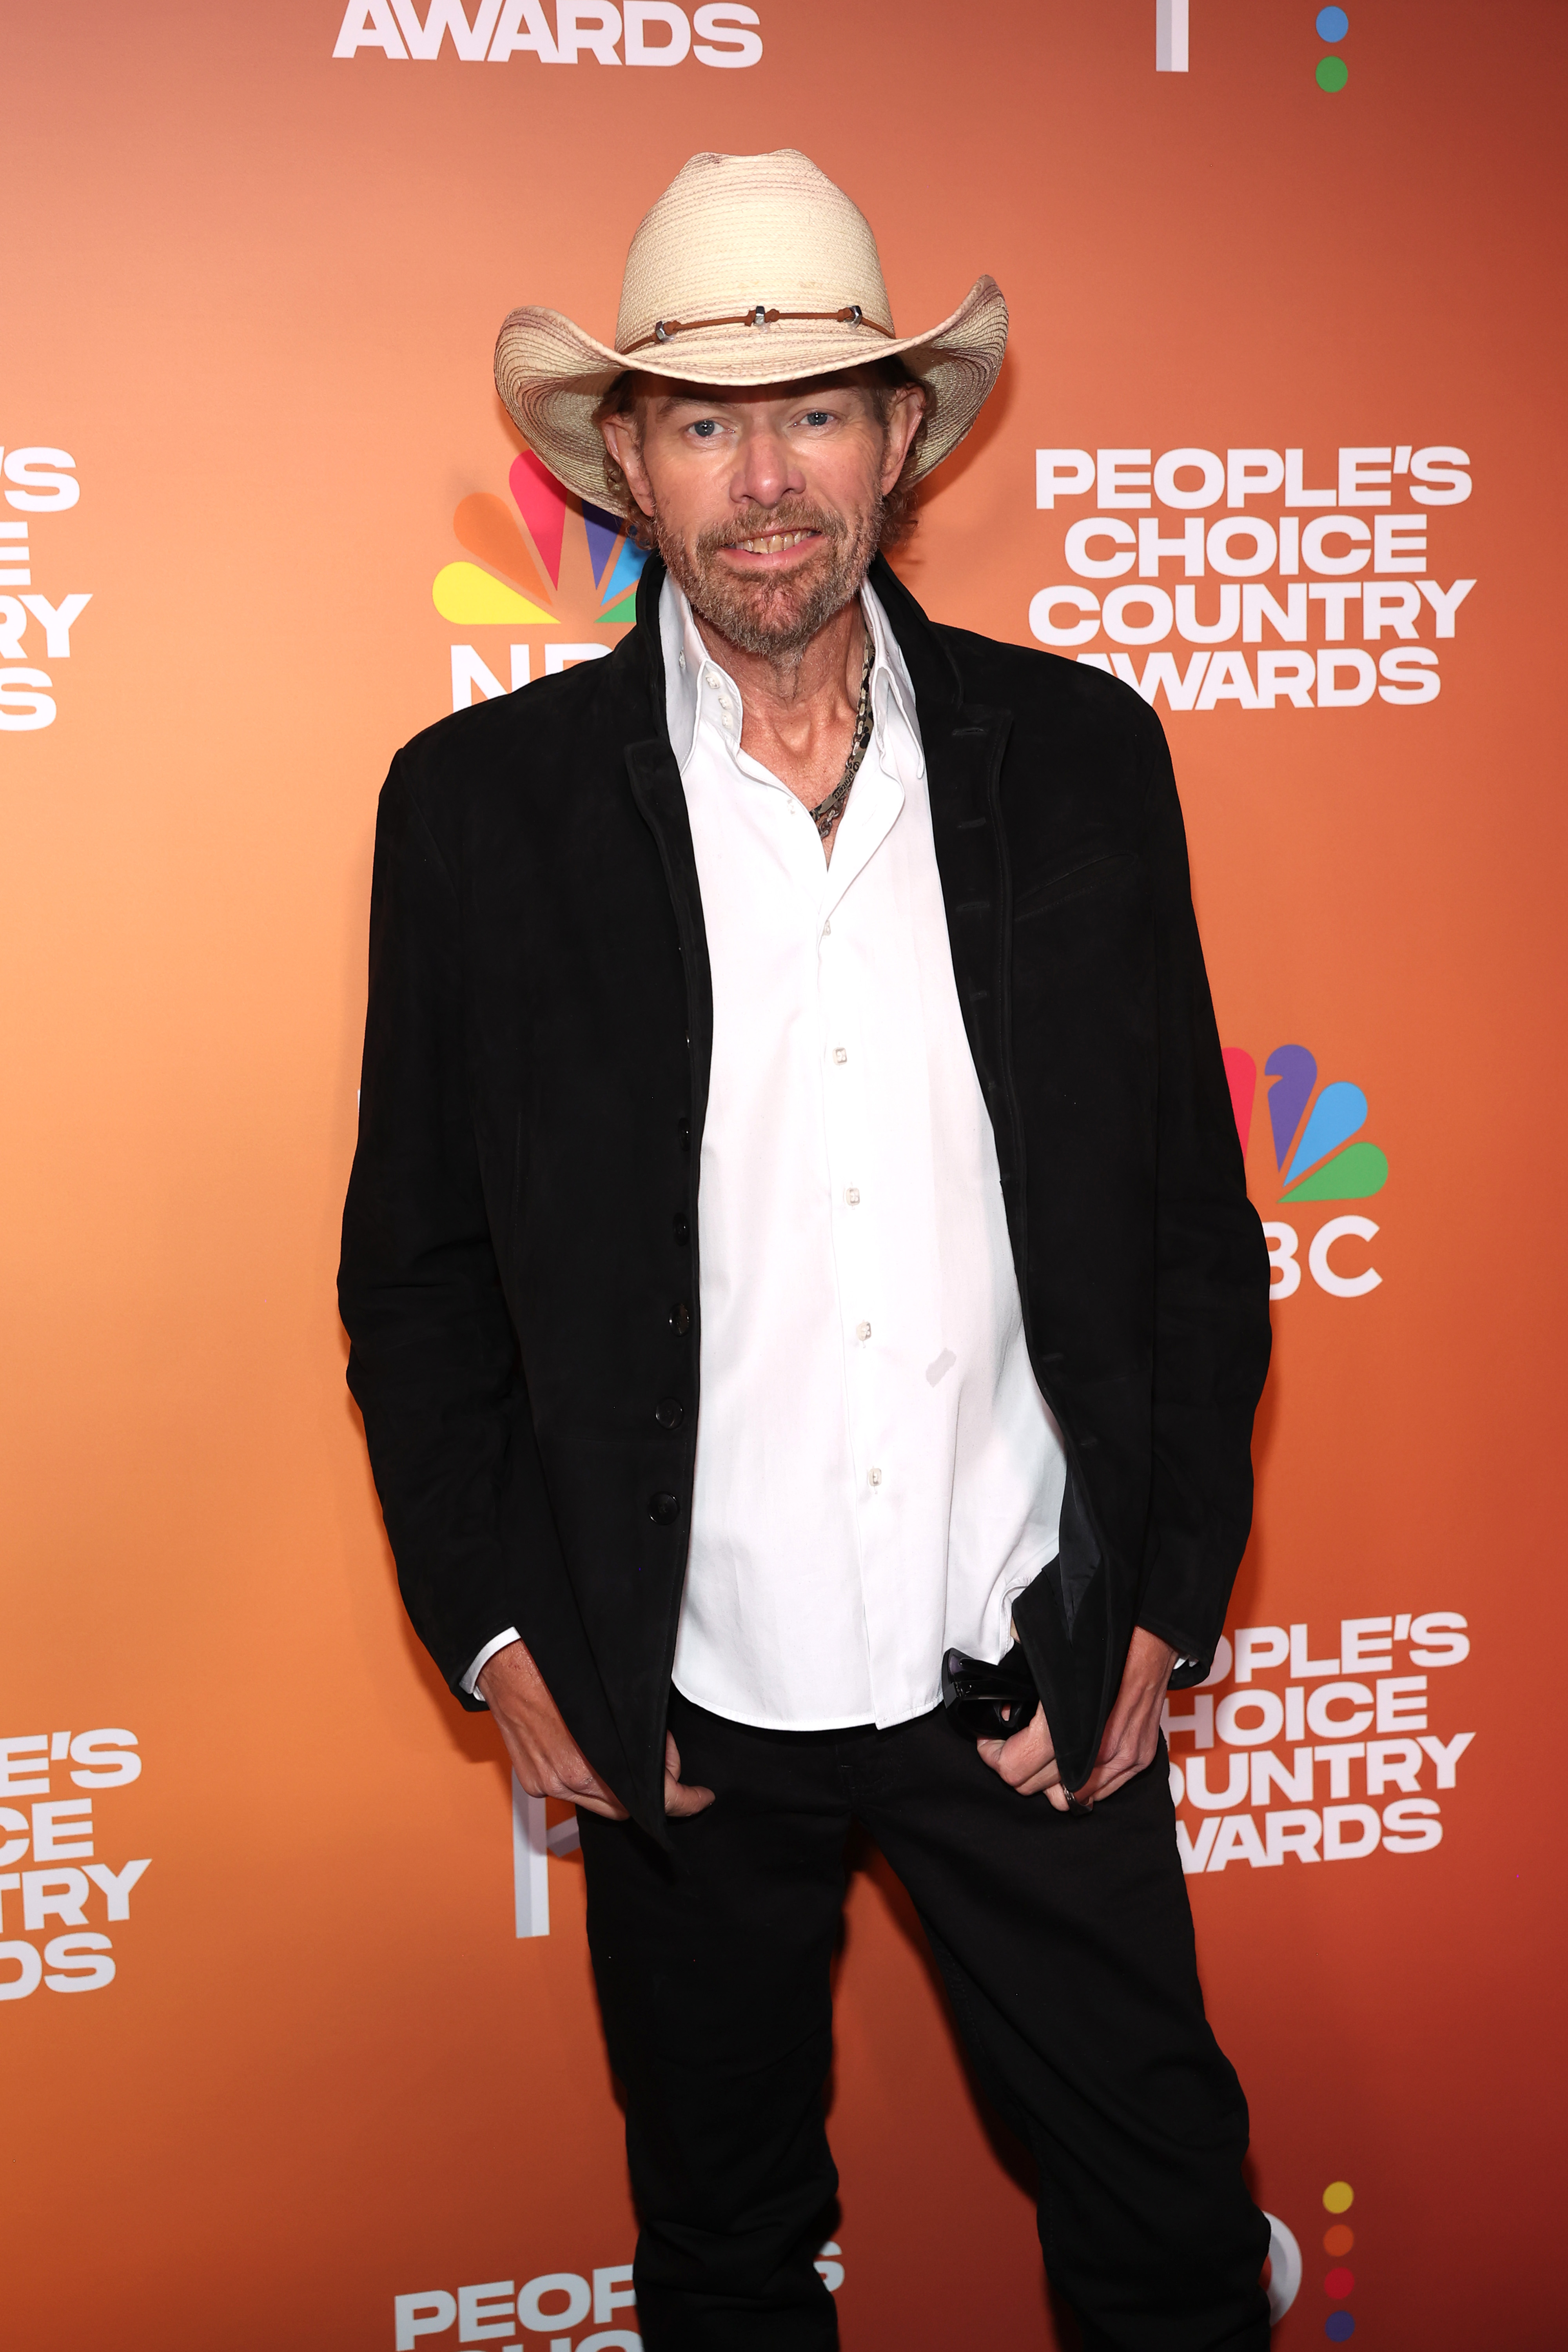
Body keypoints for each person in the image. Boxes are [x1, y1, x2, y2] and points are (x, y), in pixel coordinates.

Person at [339, 149, 1274, 2352]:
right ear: (629, 466)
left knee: (1168, 2247)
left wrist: (1166, 1598)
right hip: (684, 1725)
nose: (768, 480)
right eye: (705, 421)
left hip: (1025, 1676)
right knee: (732, 2267)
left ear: (903, 439)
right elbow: (420, 1267)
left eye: (820, 409)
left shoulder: (1080, 759)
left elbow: (1183, 1231)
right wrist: (498, 1633)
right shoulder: (477, 819)